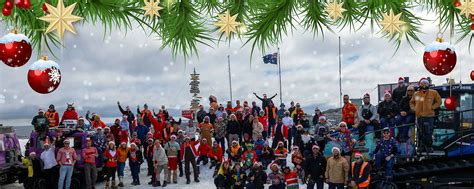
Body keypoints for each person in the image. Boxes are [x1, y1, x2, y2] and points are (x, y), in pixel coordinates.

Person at [410, 78, 441, 152]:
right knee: (420, 132)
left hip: (429, 116)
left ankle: (429, 147)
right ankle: (420, 147)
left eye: (425, 83)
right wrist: (414, 109)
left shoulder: (434, 92)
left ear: (428, 84)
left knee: (428, 132)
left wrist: (432, 107)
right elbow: (411, 102)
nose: (424, 85)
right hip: (419, 116)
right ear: (420, 84)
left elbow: (439, 102)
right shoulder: (416, 94)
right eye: (422, 83)